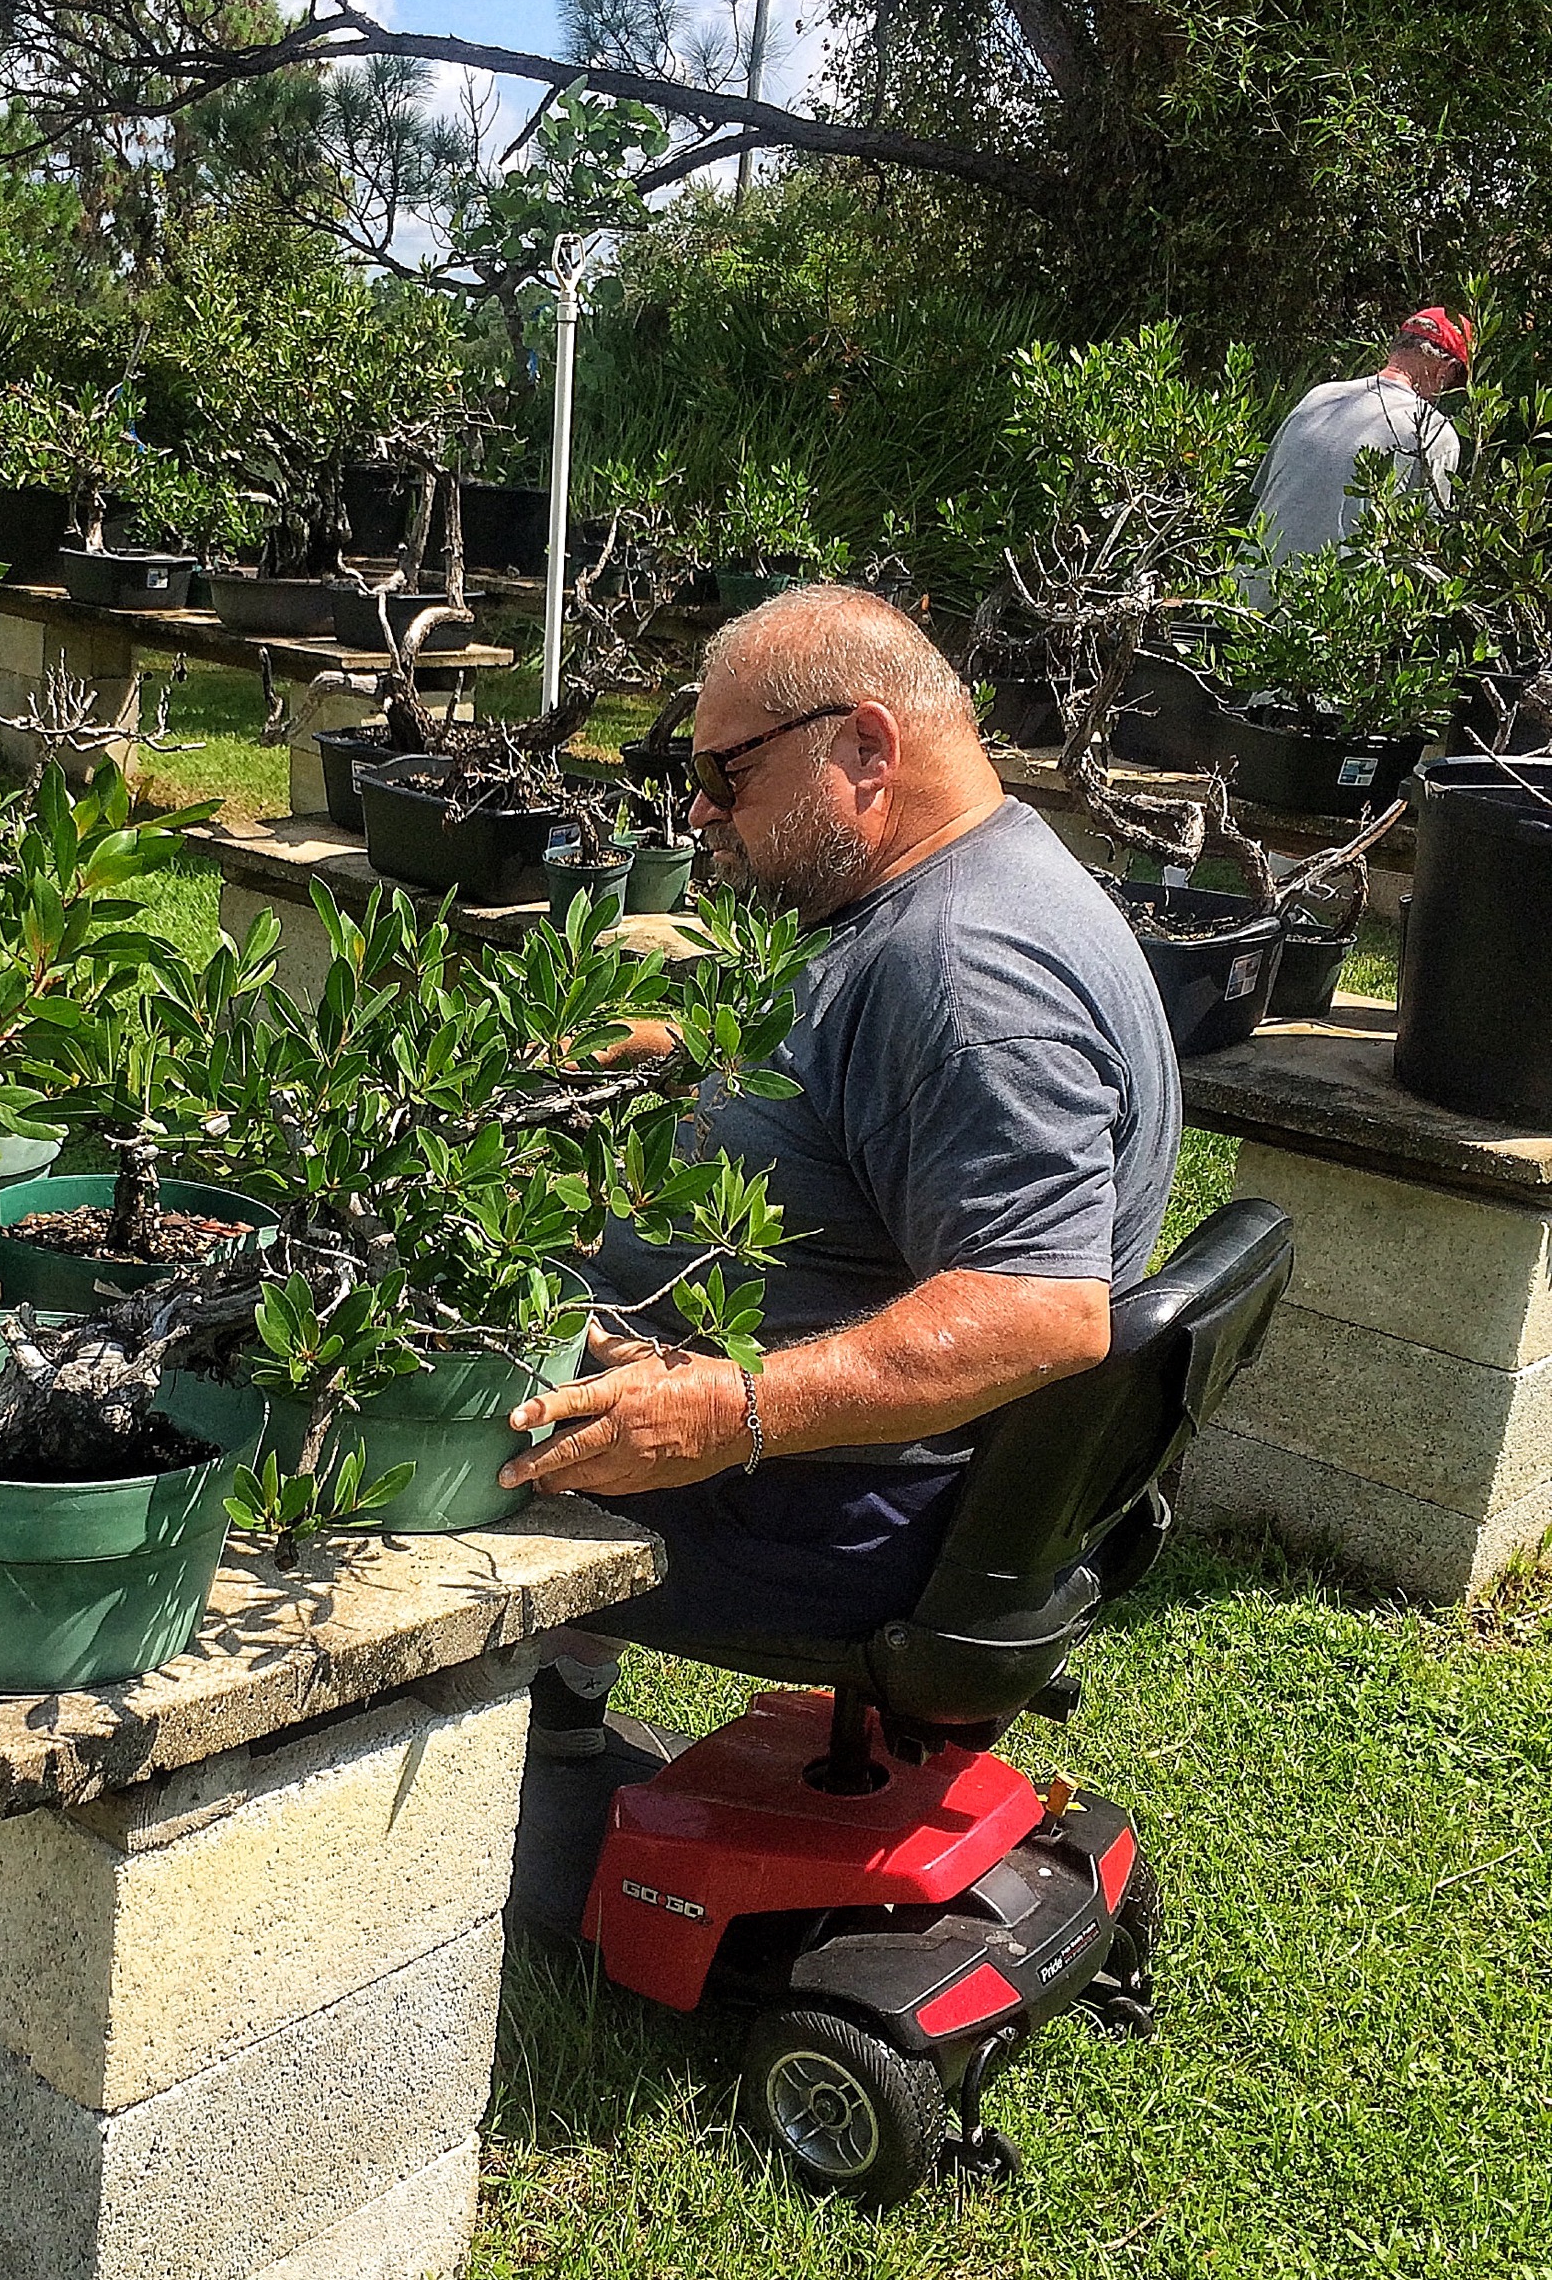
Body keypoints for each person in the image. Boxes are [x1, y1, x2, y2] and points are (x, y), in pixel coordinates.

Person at [504, 583, 1183, 1755]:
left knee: (374, 1417)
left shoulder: (969, 972)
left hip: (829, 1515)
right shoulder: (964, 872)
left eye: (727, 773)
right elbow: (855, 1072)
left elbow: (1040, 1309)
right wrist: (678, 1048)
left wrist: (728, 1409)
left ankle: (470, 1771)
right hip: (831, 1479)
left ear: (867, 747)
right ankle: (554, 1713)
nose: (700, 810)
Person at [1244, 306, 1472, 579]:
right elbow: (1420, 549)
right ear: (1447, 369)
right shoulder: (1435, 432)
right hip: (1332, 599)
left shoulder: (1319, 396)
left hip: (1244, 590)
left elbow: (1266, 493)